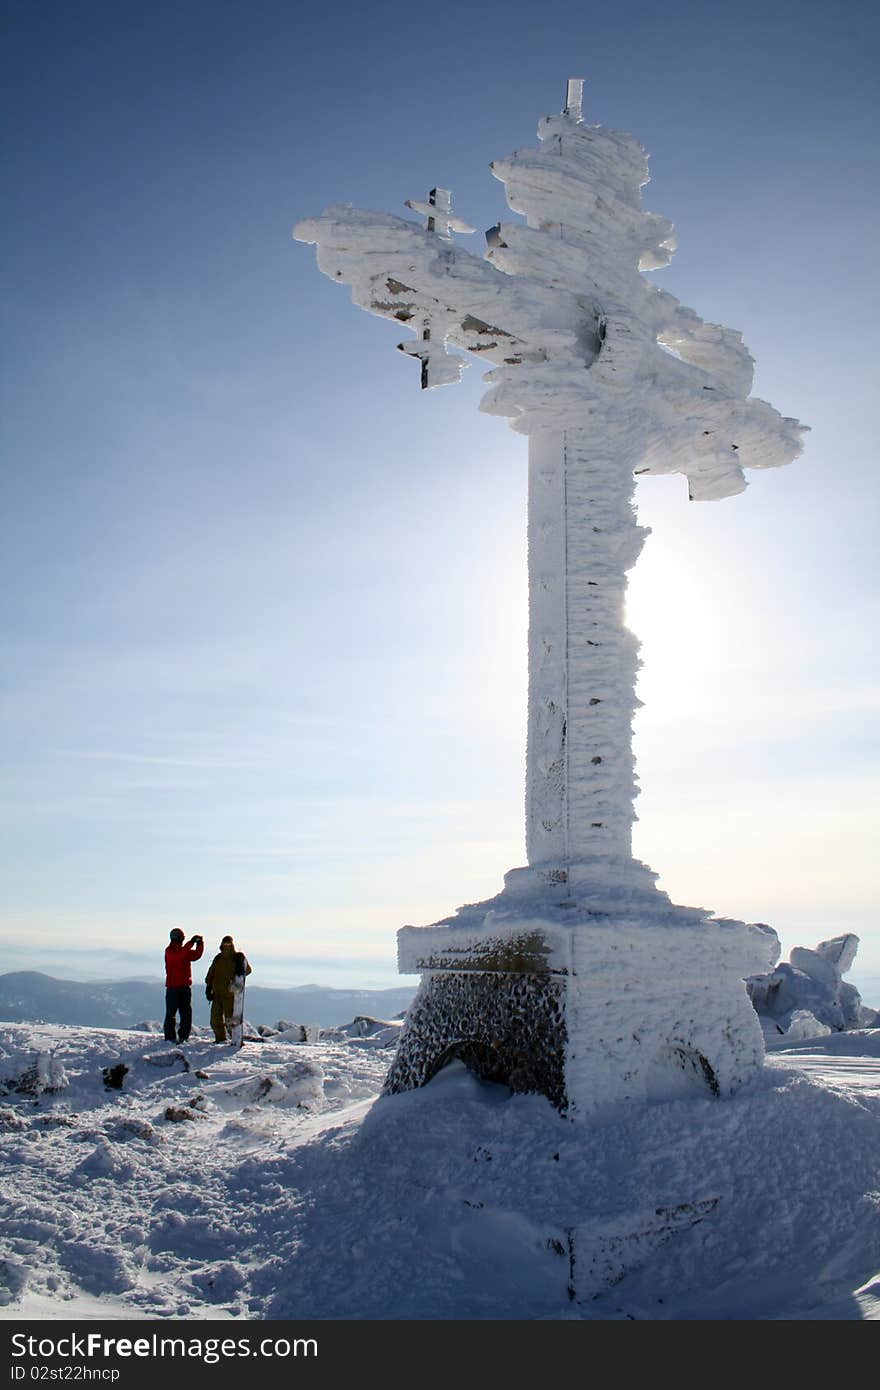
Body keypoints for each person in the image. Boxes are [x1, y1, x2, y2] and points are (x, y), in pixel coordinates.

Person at [205, 935, 252, 1043]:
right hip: (217, 994)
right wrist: (208, 987)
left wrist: (237, 979)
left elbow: (248, 970)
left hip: (229, 995)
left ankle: (235, 1040)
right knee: (215, 1020)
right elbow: (211, 973)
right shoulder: (218, 958)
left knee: (230, 1020)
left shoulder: (237, 958)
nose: (226, 946)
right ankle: (220, 1039)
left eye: (228, 943)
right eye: (225, 943)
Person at [163, 929, 204, 1043]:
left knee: (183, 1013)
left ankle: (178, 1037)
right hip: (178, 988)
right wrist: (192, 942)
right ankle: (176, 1037)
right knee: (178, 1013)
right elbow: (181, 955)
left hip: (176, 988)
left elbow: (196, 955)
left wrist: (199, 944)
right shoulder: (171, 951)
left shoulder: (179, 951)